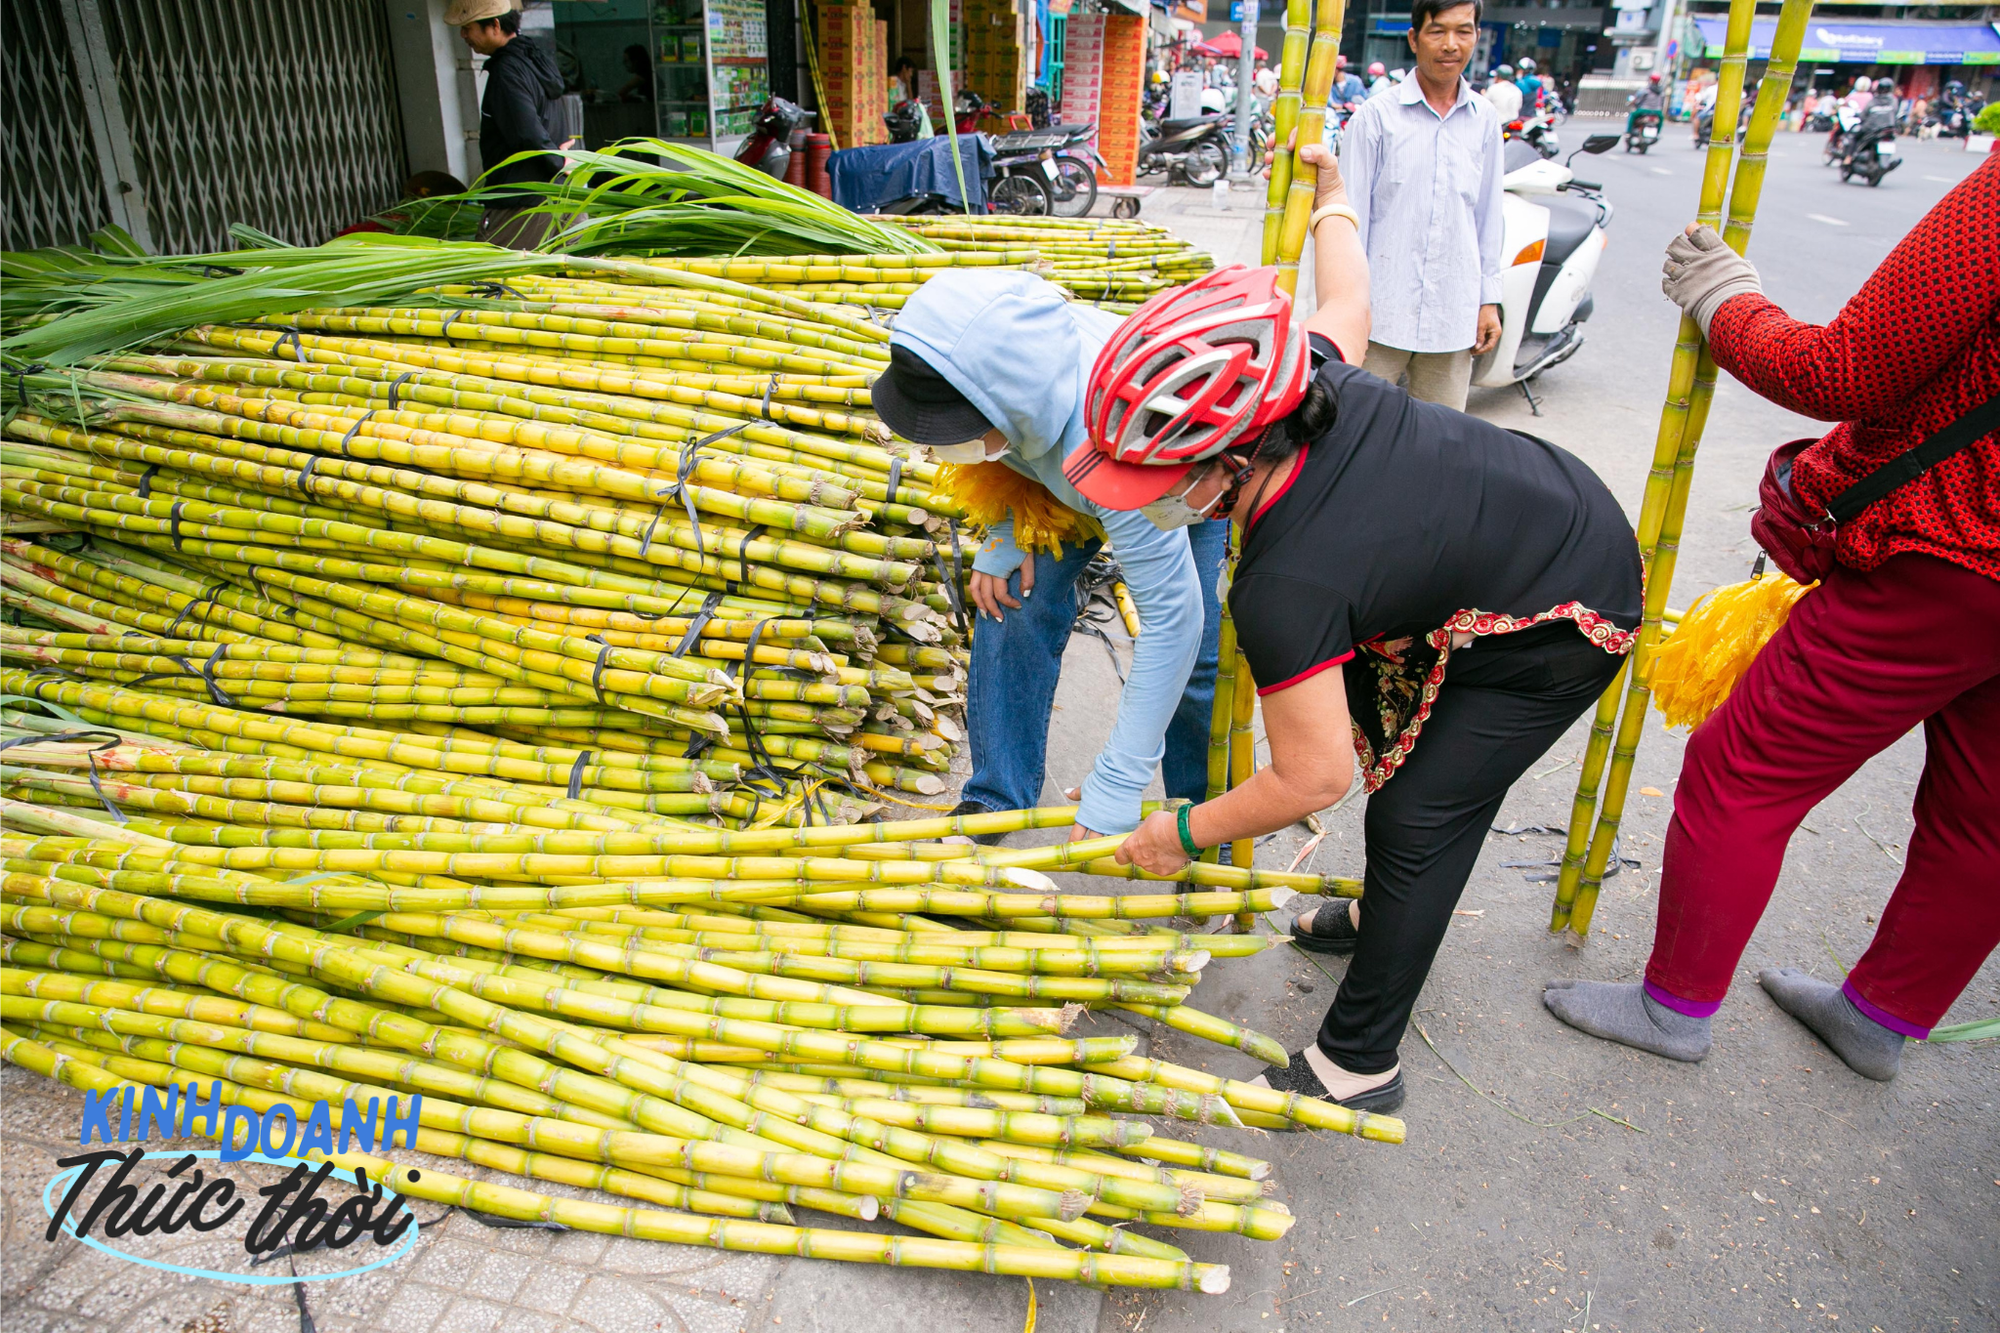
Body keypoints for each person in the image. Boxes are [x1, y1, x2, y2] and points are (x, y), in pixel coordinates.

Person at [1063, 141, 1642, 1113]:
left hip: (1559, 607)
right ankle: (1381, 913)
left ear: (1233, 458)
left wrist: (1181, 833)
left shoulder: (1284, 585)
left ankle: (1357, 1064)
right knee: (1400, 766)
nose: (1146, 500)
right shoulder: (1301, 382)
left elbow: (1310, 777)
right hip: (1512, 527)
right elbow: (1349, 300)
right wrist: (1332, 197)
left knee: (1416, 814)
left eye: (1161, 480)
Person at [1544, 156, 2000, 1085]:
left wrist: (1726, 304)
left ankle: (1673, 1005)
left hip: (1952, 555)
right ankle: (1880, 1018)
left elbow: (1844, 370)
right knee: (1984, 815)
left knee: (1742, 768)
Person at [867, 271, 1228, 844]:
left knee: (1201, 660)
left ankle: (1203, 823)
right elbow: (1014, 452)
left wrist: (1119, 778)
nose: (936, 445)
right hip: (1064, 465)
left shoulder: (1118, 445)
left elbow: (1171, 623)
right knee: (1010, 602)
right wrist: (1009, 533)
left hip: (1182, 466)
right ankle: (994, 800)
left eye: (955, 432)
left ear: (1015, 405)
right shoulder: (1004, 371)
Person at [1338, 0, 1505, 411]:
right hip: (1378, 318)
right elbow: (1348, 227)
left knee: (1441, 449)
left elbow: (1487, 216)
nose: (1451, 44)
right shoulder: (1374, 119)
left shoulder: (1485, 120)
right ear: (1414, 38)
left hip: (1453, 315)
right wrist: (1345, 311)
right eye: (1437, 31)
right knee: (1355, 436)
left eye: (1463, 31)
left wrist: (1489, 299)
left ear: (1476, 37)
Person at [448, 0, 564, 249]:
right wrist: (561, 161)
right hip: (560, 196)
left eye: (468, 27)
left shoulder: (506, 71)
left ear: (495, 25)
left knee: (492, 279)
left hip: (523, 206)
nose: (463, 35)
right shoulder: (534, 56)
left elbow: (527, 130)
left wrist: (560, 161)